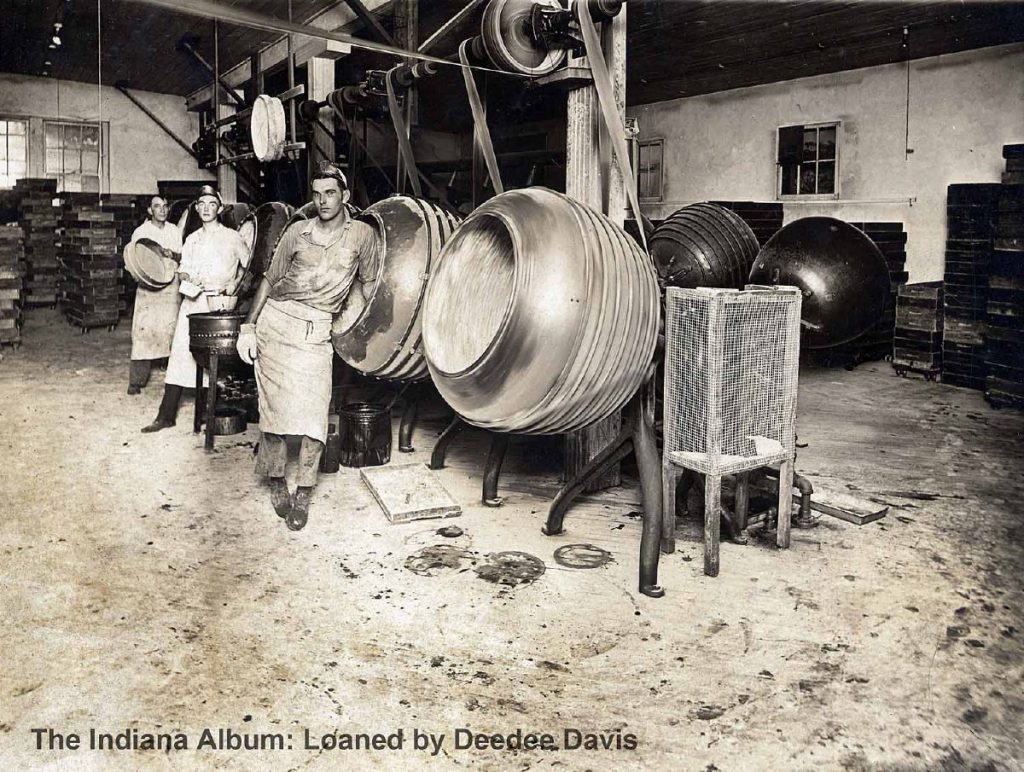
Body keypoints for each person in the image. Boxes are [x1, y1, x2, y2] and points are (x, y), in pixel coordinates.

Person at [236, 162, 378, 531]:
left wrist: (349, 327)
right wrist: (249, 326)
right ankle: (277, 481)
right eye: (317, 194)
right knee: (275, 414)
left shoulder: (362, 236)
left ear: (344, 196)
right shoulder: (297, 231)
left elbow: (367, 285)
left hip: (316, 332)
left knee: (314, 417)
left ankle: (304, 491)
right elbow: (269, 279)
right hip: (277, 323)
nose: (323, 200)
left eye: (330, 192)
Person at [142, 185, 248, 433]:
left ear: (219, 208)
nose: (207, 209)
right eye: (202, 204)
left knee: (217, 360)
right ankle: (166, 415)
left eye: (212, 204)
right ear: (197, 208)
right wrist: (189, 277)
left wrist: (234, 285)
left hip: (220, 304)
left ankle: (214, 411)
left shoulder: (233, 237)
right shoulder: (192, 239)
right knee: (180, 356)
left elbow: (247, 268)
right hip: (193, 302)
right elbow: (183, 270)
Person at [125, 196, 183, 394]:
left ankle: (173, 377)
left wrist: (173, 255)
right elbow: (134, 259)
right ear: (150, 210)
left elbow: (183, 257)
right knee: (143, 331)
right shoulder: (141, 232)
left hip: (170, 287)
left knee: (170, 330)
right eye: (157, 206)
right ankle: (137, 381)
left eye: (165, 206)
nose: (162, 210)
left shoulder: (174, 231)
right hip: (148, 288)